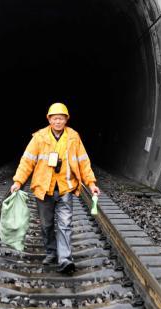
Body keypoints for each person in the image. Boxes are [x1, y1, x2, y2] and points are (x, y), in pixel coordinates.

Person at [11, 103, 100, 274]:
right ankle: (51, 252)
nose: (58, 121)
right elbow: (27, 161)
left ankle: (65, 259)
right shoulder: (39, 137)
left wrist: (91, 183)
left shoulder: (73, 137)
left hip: (65, 188)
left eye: (61, 118)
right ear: (49, 119)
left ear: (66, 119)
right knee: (46, 225)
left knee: (65, 224)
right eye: (55, 118)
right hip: (44, 189)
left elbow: (83, 162)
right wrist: (18, 182)